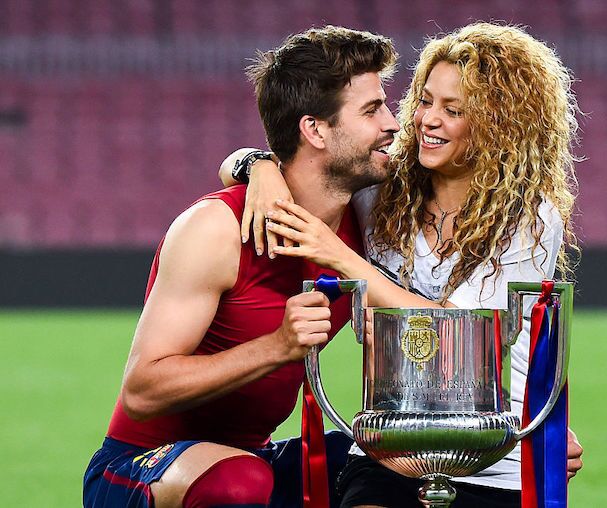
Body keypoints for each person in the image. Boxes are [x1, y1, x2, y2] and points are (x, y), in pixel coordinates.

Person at [220, 23, 583, 508]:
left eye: (453, 110)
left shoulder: (529, 216)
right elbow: (277, 161)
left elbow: (455, 331)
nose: (427, 120)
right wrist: (260, 167)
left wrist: (340, 256)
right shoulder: (385, 188)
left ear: (500, 125)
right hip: (391, 448)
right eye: (425, 100)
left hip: (497, 456)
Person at [83, 26, 399, 508]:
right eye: (373, 110)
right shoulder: (215, 228)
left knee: (393, 461)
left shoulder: (363, 214)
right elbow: (141, 392)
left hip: (255, 457)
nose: (393, 124)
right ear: (314, 129)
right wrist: (278, 346)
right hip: (140, 466)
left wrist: (257, 162)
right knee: (239, 485)